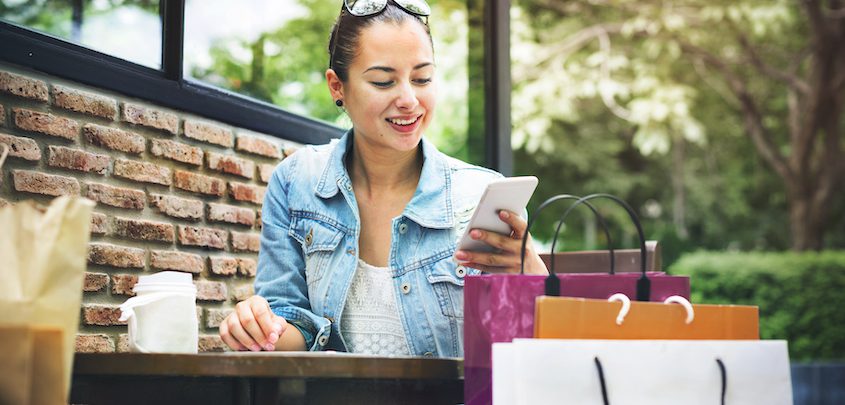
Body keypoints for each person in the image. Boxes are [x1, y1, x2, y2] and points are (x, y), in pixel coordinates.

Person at [219, 0, 548, 357]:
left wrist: (532, 277)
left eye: (422, 78)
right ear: (336, 87)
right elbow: (289, 323)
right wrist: (257, 328)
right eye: (382, 81)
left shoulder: (481, 196)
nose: (409, 99)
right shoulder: (296, 182)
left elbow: (517, 346)